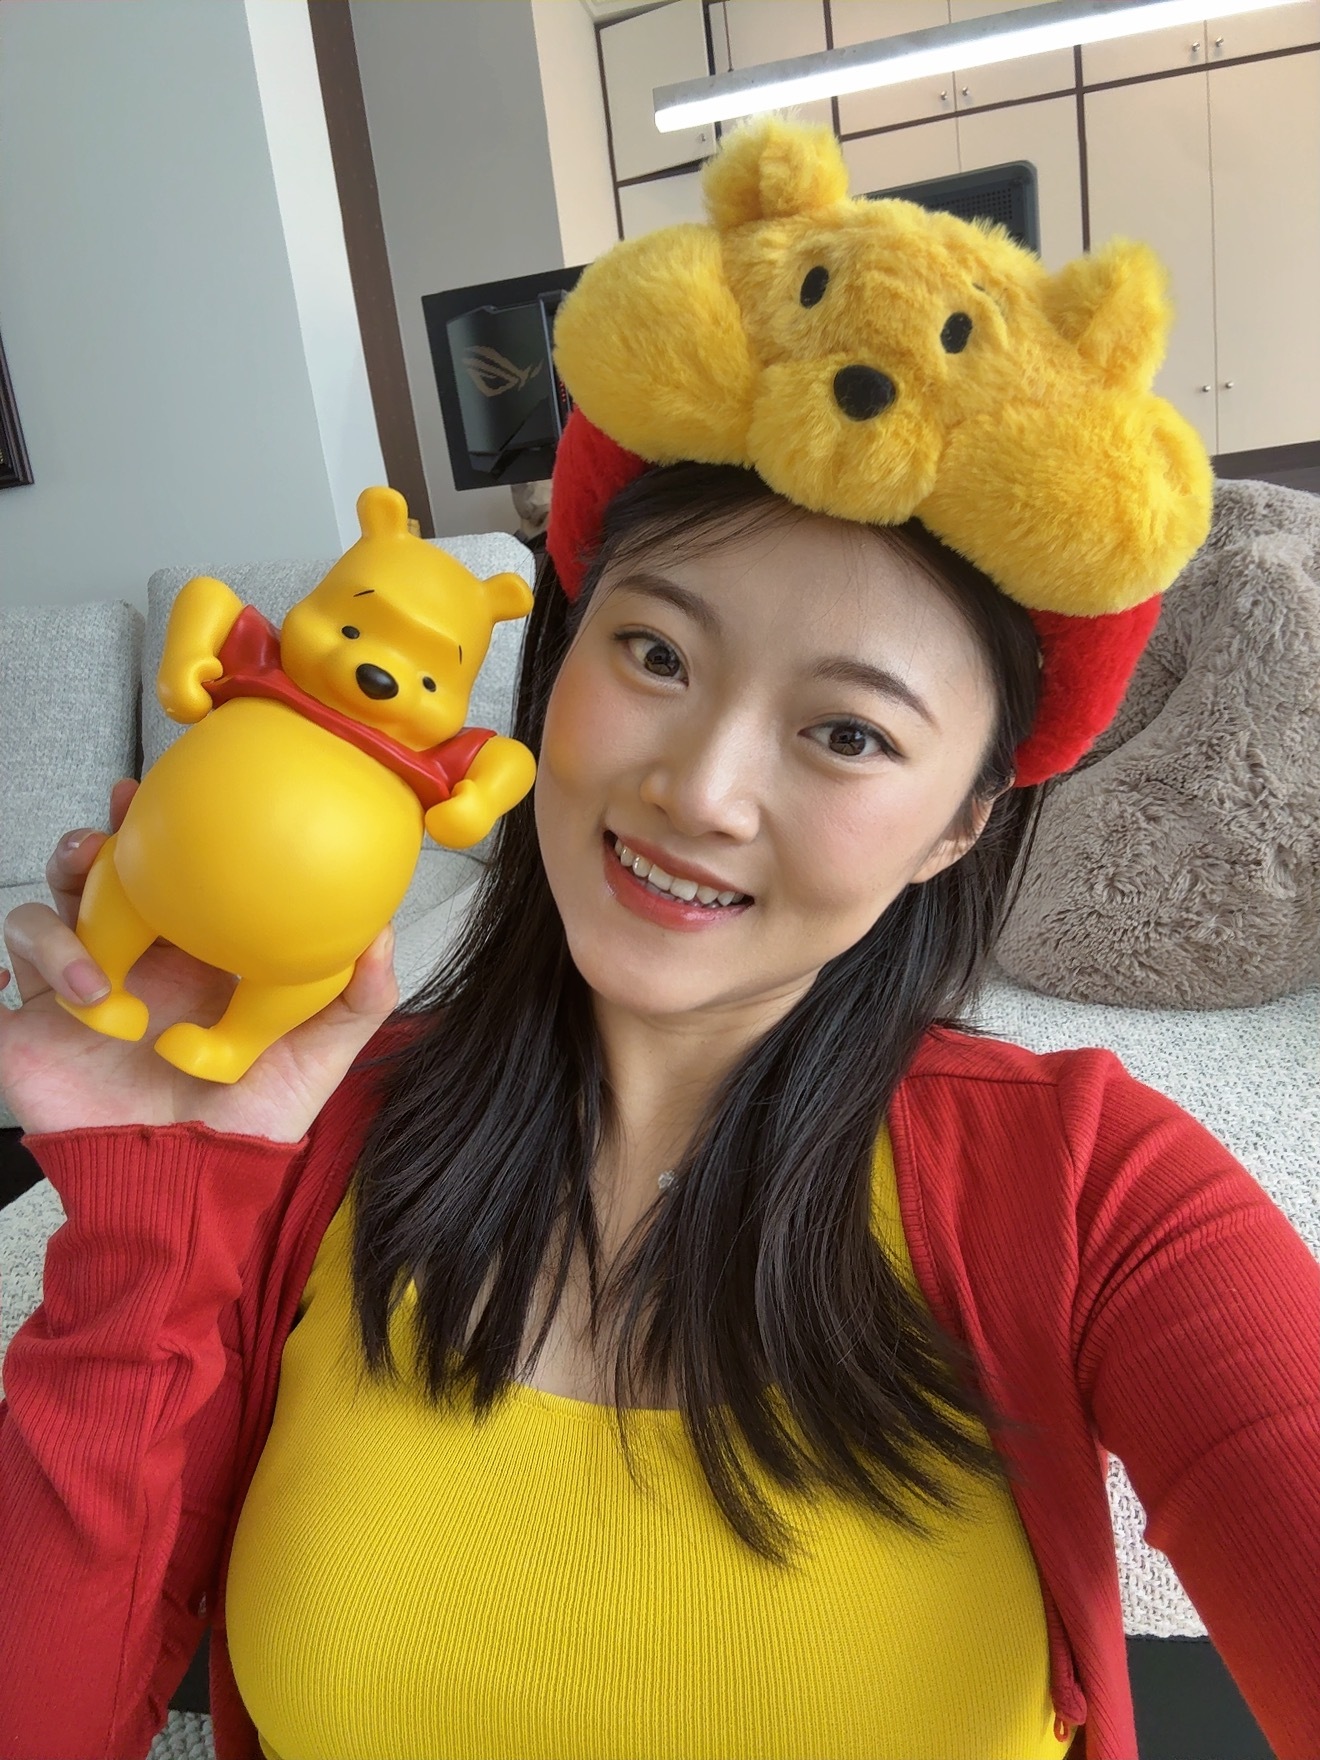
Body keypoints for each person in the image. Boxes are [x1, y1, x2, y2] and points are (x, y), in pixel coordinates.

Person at [2, 123, 1318, 1760]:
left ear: (961, 827)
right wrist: (147, 1187)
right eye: (656, 654)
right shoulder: (307, 1134)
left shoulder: (1095, 1193)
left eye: (847, 734)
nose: (697, 790)